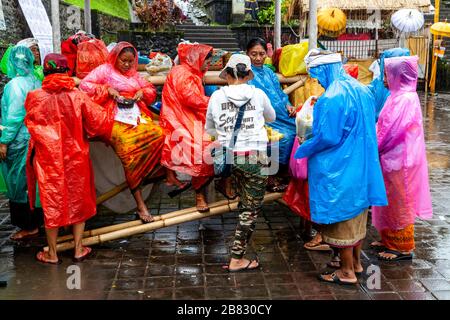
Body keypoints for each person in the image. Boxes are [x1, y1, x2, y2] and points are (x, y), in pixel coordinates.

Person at [295, 49, 387, 285]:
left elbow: (327, 137)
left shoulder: (332, 96)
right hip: (361, 163)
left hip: (340, 167)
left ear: (322, 69)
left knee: (341, 219)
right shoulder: (360, 88)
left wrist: (304, 147)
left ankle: (345, 271)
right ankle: (356, 263)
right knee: (357, 215)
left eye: (315, 74)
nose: (316, 79)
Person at [25, 54, 112, 264]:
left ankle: (52, 253)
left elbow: (31, 123)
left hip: (48, 158)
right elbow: (99, 123)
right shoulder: (78, 96)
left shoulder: (34, 96)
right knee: (78, 200)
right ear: (67, 71)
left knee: (51, 201)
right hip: (76, 157)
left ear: (45, 71)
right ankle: (78, 248)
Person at [80, 42, 181, 223]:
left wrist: (142, 92)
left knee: (162, 134)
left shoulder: (134, 74)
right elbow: (85, 86)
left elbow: (150, 89)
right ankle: (141, 205)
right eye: (123, 61)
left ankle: (165, 174)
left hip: (135, 116)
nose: (127, 65)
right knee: (128, 151)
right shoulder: (104, 70)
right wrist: (106, 89)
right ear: (115, 58)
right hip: (113, 119)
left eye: (130, 61)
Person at [205, 54, 275, 271]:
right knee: (251, 209)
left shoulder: (216, 97)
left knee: (245, 203)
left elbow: (210, 130)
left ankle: (239, 250)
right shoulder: (258, 94)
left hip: (230, 157)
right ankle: (237, 258)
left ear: (228, 73)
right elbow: (271, 117)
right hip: (256, 158)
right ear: (247, 74)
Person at [371, 56, 433, 261]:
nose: (384, 79)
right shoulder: (396, 95)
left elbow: (392, 131)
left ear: (399, 75)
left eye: (388, 74)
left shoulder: (405, 98)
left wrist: (374, 146)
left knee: (399, 201)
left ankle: (402, 247)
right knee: (389, 199)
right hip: (391, 158)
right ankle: (388, 238)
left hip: (400, 161)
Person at [161, 43, 214, 212]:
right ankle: (199, 194)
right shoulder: (183, 73)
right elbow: (192, 99)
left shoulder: (190, 72)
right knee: (203, 148)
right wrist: (216, 101)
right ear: (196, 58)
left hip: (187, 117)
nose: (208, 65)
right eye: (206, 60)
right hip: (177, 119)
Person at [0, 45, 43, 241]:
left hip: (19, 140)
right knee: (32, 181)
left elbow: (14, 116)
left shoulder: (14, 85)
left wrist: (4, 141)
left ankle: (28, 225)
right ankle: (37, 220)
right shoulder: (36, 80)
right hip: (35, 137)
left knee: (19, 183)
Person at [246, 38, 296, 191]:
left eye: (261, 54)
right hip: (261, 118)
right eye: (254, 54)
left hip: (282, 114)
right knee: (283, 138)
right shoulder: (245, 73)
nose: (258, 58)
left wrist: (289, 106)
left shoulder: (268, 72)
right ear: (246, 54)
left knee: (300, 131)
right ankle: (270, 175)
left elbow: (280, 94)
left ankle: (287, 171)